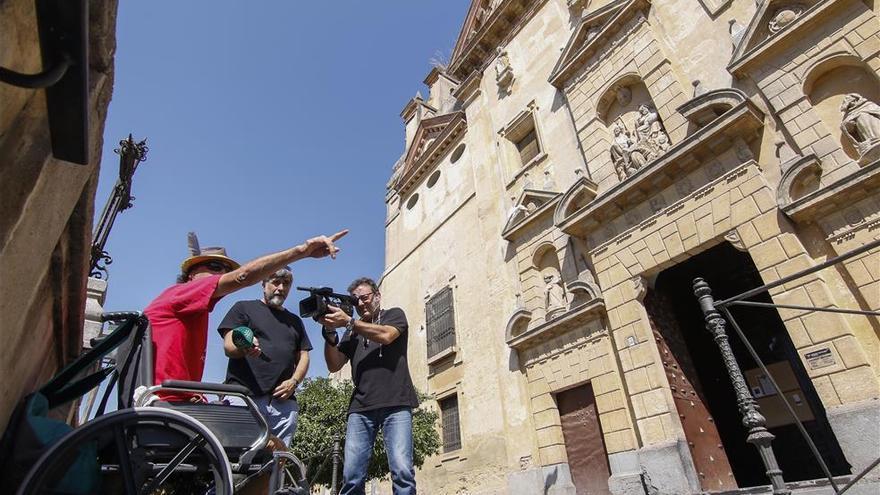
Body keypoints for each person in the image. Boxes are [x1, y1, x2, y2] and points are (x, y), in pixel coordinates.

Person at [143, 229, 346, 401]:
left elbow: (303, 355)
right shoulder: (179, 294)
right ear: (191, 275)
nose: (221, 274)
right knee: (268, 445)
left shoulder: (197, 310)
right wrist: (302, 251)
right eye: (215, 267)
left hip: (182, 400)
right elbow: (243, 277)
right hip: (166, 403)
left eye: (224, 270)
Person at [321, 278, 418, 495]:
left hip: (396, 402)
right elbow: (334, 364)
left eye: (365, 298)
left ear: (377, 296)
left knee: (402, 471)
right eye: (356, 301)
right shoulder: (351, 332)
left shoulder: (394, 314)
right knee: (351, 476)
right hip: (360, 408)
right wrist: (329, 334)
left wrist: (349, 322)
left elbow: (386, 336)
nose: (361, 304)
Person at [217, 266, 311, 448]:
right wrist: (244, 347)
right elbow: (229, 346)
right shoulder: (243, 308)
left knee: (277, 462)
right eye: (276, 282)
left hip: (283, 404)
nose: (281, 288)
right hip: (244, 398)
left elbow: (304, 356)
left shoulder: (295, 321)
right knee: (238, 455)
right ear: (263, 283)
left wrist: (294, 381)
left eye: (286, 283)